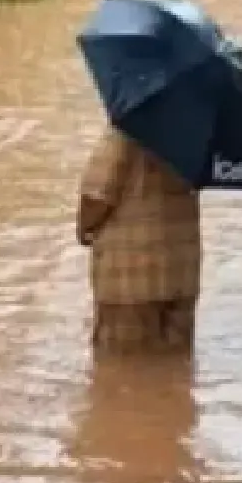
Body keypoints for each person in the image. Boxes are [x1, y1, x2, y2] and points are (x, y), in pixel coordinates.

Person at [76, 124, 202, 356]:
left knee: (119, 367)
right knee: (174, 362)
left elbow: (96, 195)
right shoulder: (196, 134)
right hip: (181, 274)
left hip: (129, 278)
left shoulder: (125, 131)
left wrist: (84, 228)